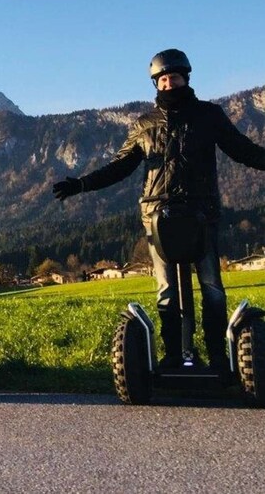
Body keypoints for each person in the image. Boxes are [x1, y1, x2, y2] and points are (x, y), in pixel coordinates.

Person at [52, 48, 265, 371]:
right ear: (156, 84)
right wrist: (81, 184)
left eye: (174, 78)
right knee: (166, 290)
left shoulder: (209, 115)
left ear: (186, 78)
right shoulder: (145, 124)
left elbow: (242, 150)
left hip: (201, 211)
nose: (169, 84)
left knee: (212, 288)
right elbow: (121, 166)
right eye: (163, 80)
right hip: (157, 216)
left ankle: (219, 357)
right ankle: (173, 356)